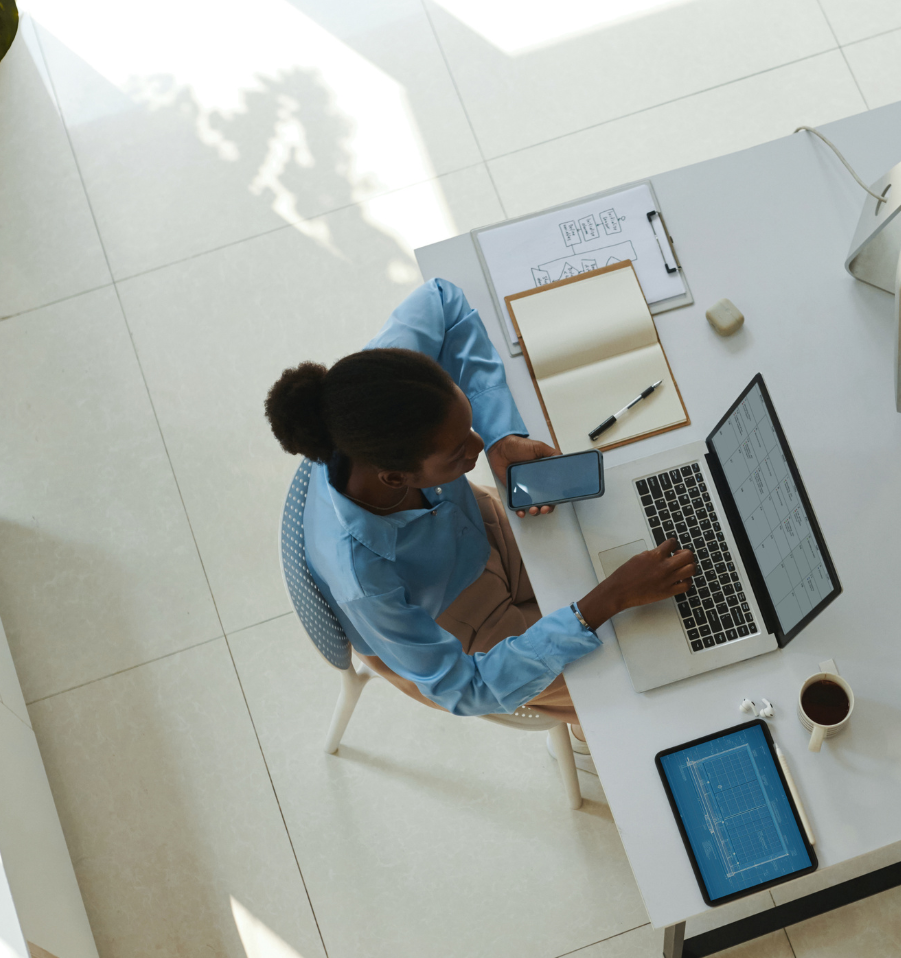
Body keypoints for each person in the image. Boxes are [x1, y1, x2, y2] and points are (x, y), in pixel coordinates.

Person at [265, 279, 695, 732]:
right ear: (396, 477)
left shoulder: (381, 391)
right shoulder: (365, 581)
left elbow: (443, 300)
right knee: (643, 683)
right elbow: (465, 688)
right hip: (452, 627)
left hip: (478, 528)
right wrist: (605, 601)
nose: (475, 449)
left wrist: (500, 435)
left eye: (470, 427)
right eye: (458, 452)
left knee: (658, 585)